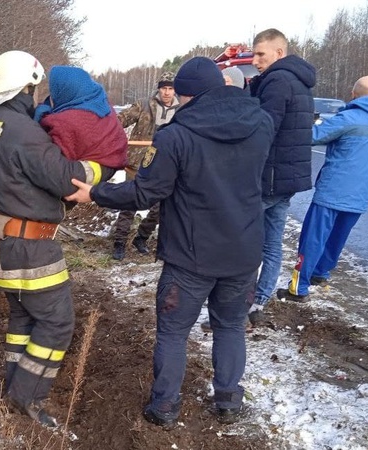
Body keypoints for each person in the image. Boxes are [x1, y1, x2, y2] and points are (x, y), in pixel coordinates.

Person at [67, 57, 273, 426]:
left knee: (174, 332)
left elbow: (146, 192)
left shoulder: (176, 135)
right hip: (243, 251)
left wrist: (95, 194)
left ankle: (164, 407)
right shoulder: (261, 124)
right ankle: (228, 400)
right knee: (229, 326)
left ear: (185, 95)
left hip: (190, 256)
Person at [0, 50, 105, 427]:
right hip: (28, 247)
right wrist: (102, 165)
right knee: (58, 323)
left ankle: (13, 382)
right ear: (27, 86)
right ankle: (27, 396)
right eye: (34, 87)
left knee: (24, 317)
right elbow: (67, 179)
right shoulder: (24, 132)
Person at [277, 76, 368, 302]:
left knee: (313, 239)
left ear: (354, 94)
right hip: (361, 197)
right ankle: (321, 273)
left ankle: (299, 289)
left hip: (331, 192)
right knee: (338, 237)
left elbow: (312, 136)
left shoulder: (348, 118)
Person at [247, 28, 316, 325]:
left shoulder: (277, 80)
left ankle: (241, 302)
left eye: (261, 54)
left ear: (279, 53)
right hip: (288, 179)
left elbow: (264, 129)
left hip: (268, 177)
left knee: (245, 240)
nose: (255, 60)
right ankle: (260, 300)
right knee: (272, 242)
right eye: (254, 53)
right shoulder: (301, 81)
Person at [112, 75, 180, 260]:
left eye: (170, 89)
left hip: (164, 165)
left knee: (161, 206)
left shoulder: (182, 111)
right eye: (163, 88)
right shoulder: (143, 105)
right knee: (129, 202)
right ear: (159, 89)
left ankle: (142, 237)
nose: (166, 92)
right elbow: (120, 120)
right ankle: (119, 242)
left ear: (175, 90)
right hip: (137, 163)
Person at [34, 65, 127, 180]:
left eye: (54, 91)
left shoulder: (65, 121)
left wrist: (40, 118)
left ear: (65, 90)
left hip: (77, 180)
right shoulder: (102, 105)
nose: (52, 97)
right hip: (107, 170)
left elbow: (53, 166)